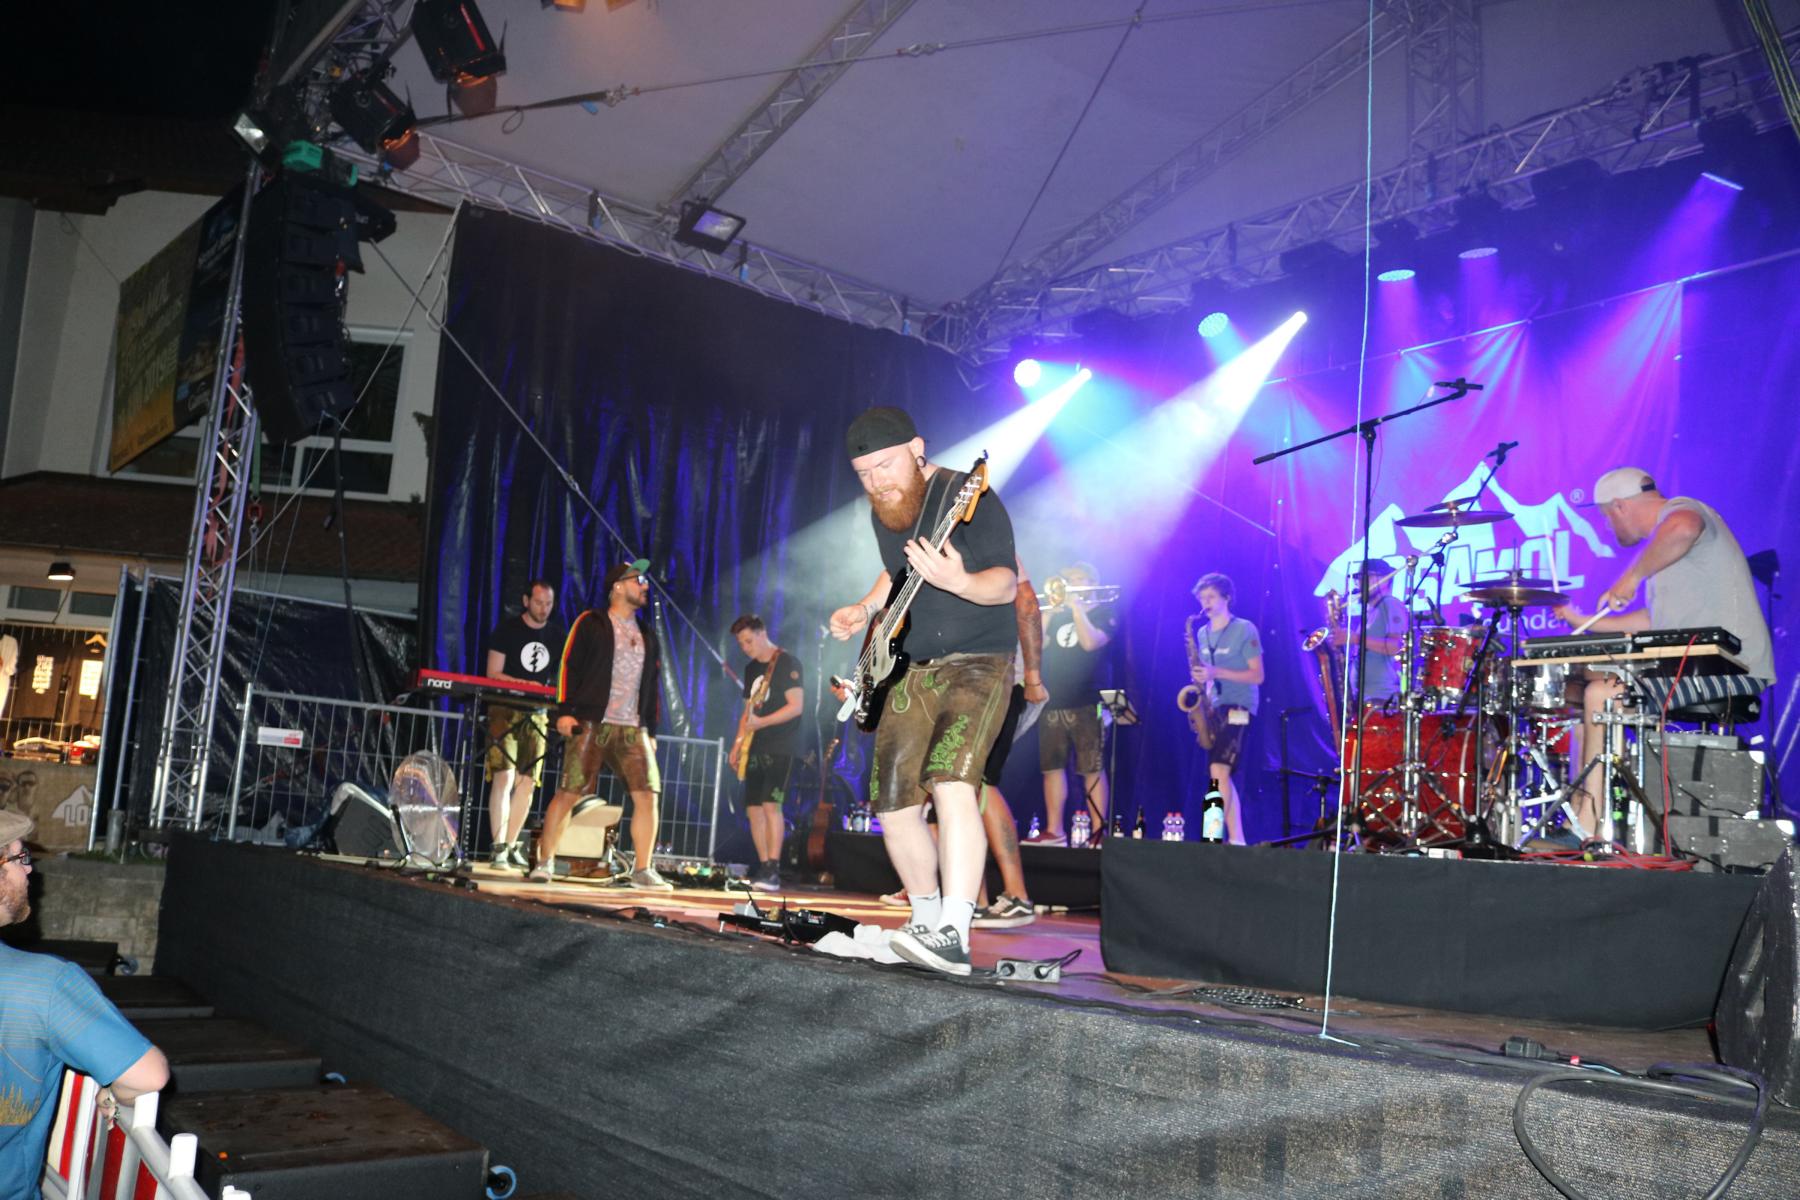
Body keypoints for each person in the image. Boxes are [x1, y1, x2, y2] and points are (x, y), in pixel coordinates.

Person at [830, 407, 1018, 976]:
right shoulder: (886, 508)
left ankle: (954, 932)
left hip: (979, 663)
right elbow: (898, 572)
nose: (877, 482)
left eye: (885, 466)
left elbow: (1007, 583)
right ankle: (925, 918)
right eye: (864, 474)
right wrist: (865, 607)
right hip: (912, 669)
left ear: (917, 448)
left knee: (952, 783)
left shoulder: (970, 495)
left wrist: (960, 581)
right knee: (894, 804)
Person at [1552, 468, 1775, 840]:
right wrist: (1583, 620)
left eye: (1606, 517)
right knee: (1583, 707)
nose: (1608, 526)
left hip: (1731, 670)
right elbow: (1653, 621)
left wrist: (1631, 577)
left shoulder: (1682, 512)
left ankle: (1590, 827)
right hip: (1702, 669)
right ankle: (1584, 816)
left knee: (1602, 694)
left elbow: (1685, 527)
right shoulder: (1667, 555)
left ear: (1619, 506)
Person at [0, 810, 169, 1193]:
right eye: (19, 856)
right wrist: (115, 1090)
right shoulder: (46, 984)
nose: (29, 869)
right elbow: (148, 1075)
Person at [533, 559, 672, 890]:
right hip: (592, 721)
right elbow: (568, 666)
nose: (644, 585)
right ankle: (545, 861)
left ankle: (642, 869)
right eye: (637, 580)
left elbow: (652, 686)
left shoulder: (647, 634)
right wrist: (565, 712)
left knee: (648, 794)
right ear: (618, 586)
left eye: (644, 581)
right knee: (569, 791)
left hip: (632, 728)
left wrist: (650, 730)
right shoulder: (591, 622)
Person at [1027, 562, 1117, 846]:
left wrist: (1078, 609)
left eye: (1079, 579)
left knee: (1092, 767)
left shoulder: (1106, 612)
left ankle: (1098, 833)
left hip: (1088, 701)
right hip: (1054, 700)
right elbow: (1036, 647)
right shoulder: (1059, 614)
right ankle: (1055, 830)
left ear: (1093, 583)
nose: (1072, 585)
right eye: (1069, 580)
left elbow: (1091, 643)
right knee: (1051, 768)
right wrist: (1047, 615)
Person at [482, 579, 564, 872]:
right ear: (526, 601)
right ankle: (498, 848)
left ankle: (511, 843)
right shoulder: (507, 630)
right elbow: (493, 672)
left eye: (549, 604)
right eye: (539, 602)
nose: (544, 608)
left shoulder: (556, 636)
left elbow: (562, 676)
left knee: (527, 783)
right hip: (504, 709)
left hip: (538, 712)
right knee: (503, 776)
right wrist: (522, 684)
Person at [730, 614, 806, 893]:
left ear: (762, 633)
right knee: (753, 809)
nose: (745, 647)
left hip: (781, 746)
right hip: (755, 745)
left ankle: (774, 866)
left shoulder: (787, 662)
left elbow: (796, 706)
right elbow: (747, 711)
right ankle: (764, 865)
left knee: (771, 805)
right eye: (741, 643)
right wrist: (737, 744)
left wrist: (762, 722)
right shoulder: (751, 669)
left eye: (749, 641)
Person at [1190, 572, 1264, 845]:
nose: (1205, 603)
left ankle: (1212, 834)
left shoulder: (1245, 629)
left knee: (1218, 771)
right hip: (1215, 707)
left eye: (1211, 597)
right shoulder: (1202, 633)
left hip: (1240, 706)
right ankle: (1237, 839)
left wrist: (1215, 672)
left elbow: (1257, 675)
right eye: (1202, 598)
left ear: (1227, 598)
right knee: (1222, 774)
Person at [1333, 560, 1407, 706]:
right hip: (1365, 698)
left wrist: (1355, 639)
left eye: (1365, 577)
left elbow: (1396, 646)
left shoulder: (1390, 604)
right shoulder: (1373, 611)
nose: (1360, 584)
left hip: (1381, 698)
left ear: (1384, 580)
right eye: (1358, 579)